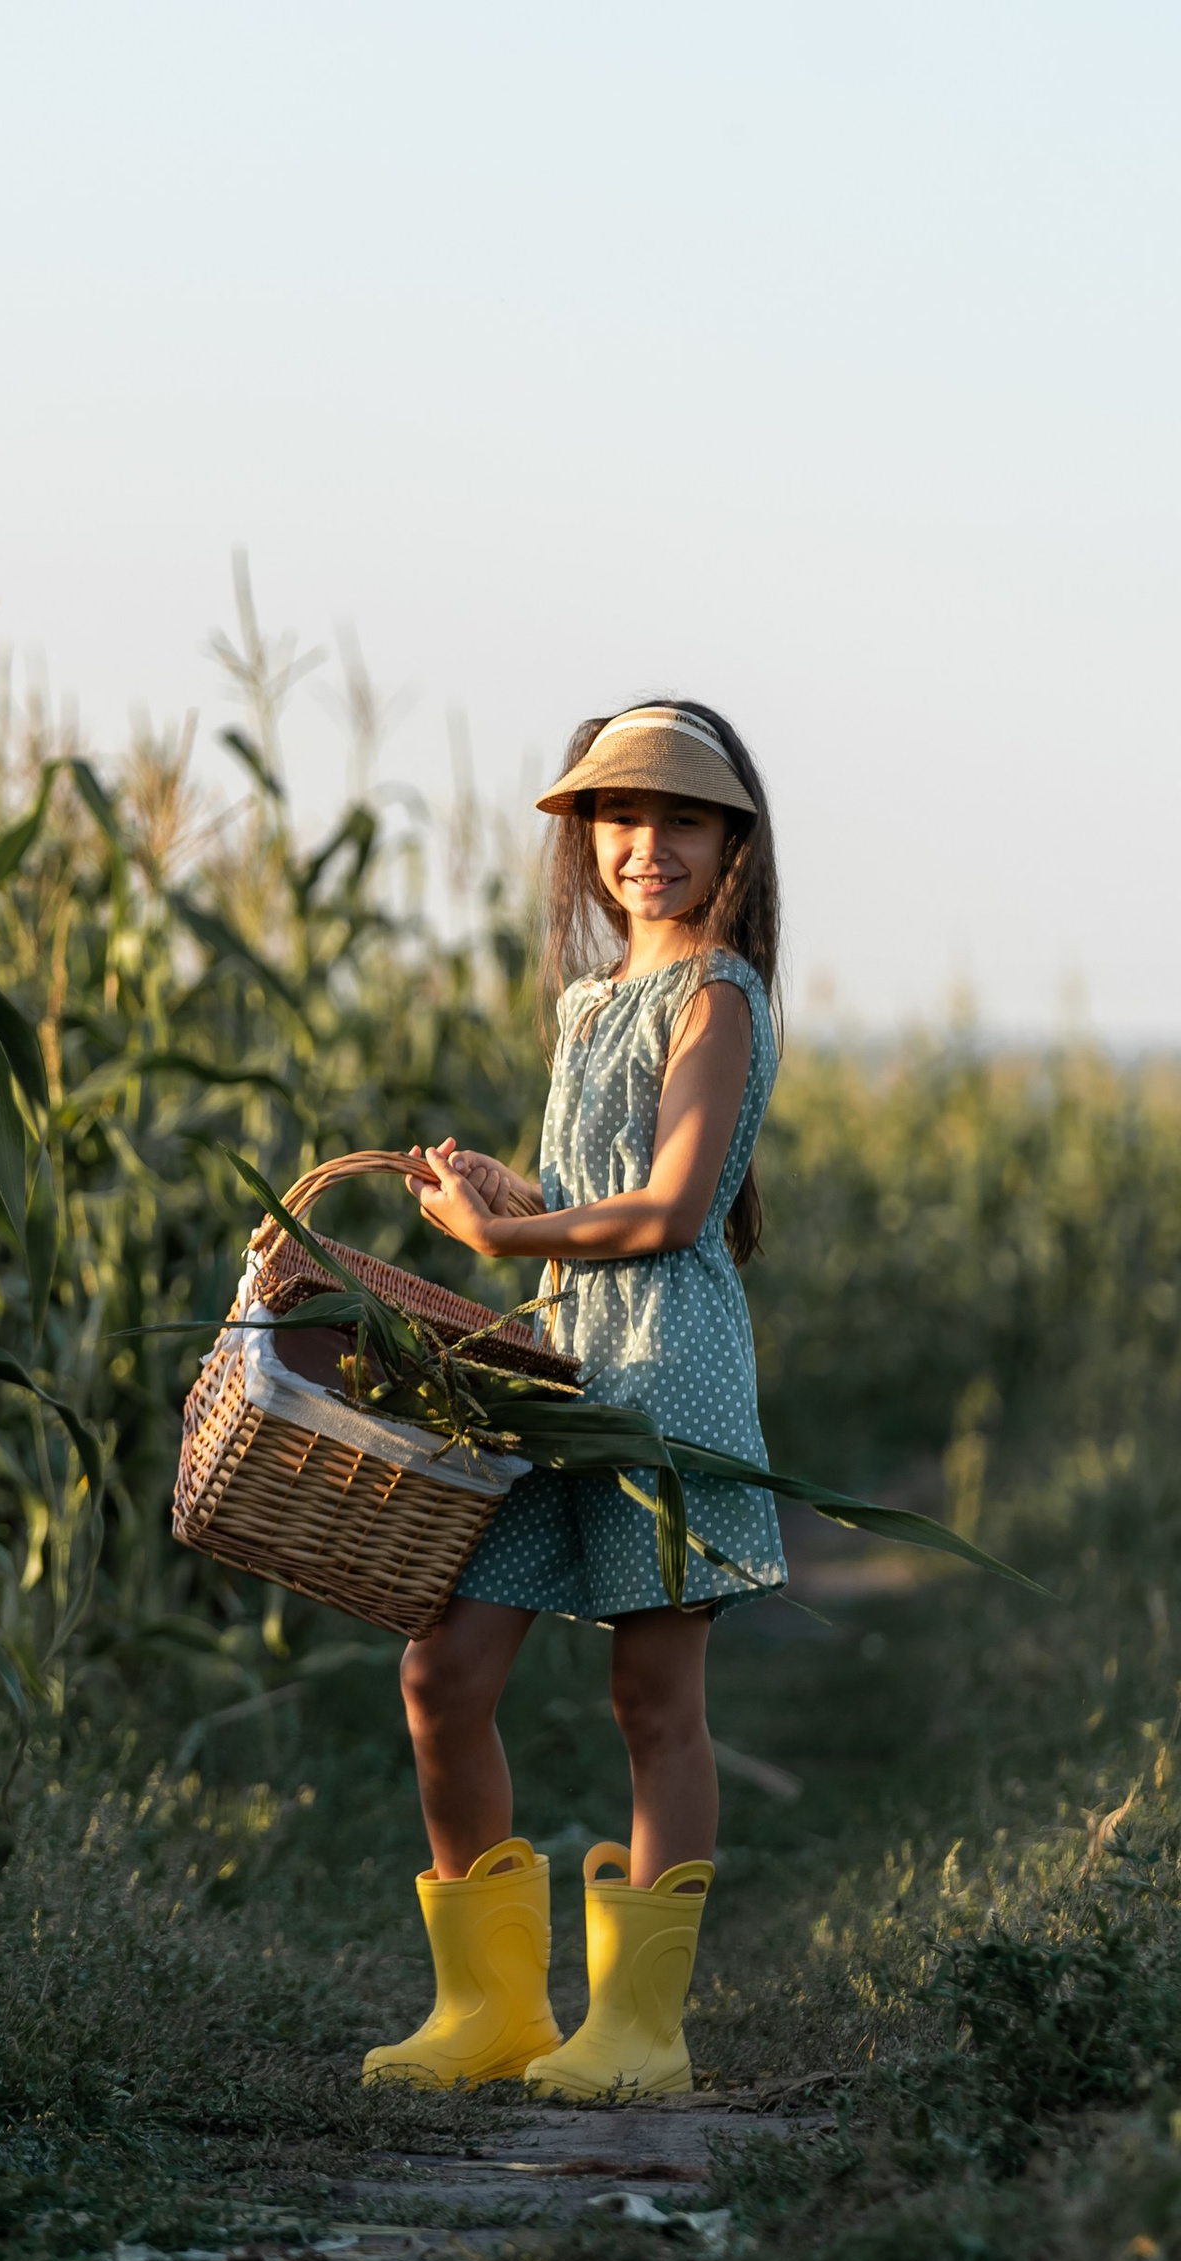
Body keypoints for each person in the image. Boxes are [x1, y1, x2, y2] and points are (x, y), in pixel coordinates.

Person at [361, 700, 785, 2100]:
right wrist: (512, 1202)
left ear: (731, 838)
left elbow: (669, 1212)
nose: (643, 845)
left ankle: (638, 2031)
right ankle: (488, 2012)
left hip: (666, 1373)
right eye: (617, 817)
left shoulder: (718, 991)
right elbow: (604, 1197)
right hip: (558, 1366)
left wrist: (505, 1247)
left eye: (677, 818)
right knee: (443, 1669)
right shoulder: (590, 1002)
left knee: (652, 1699)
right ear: (586, 839)